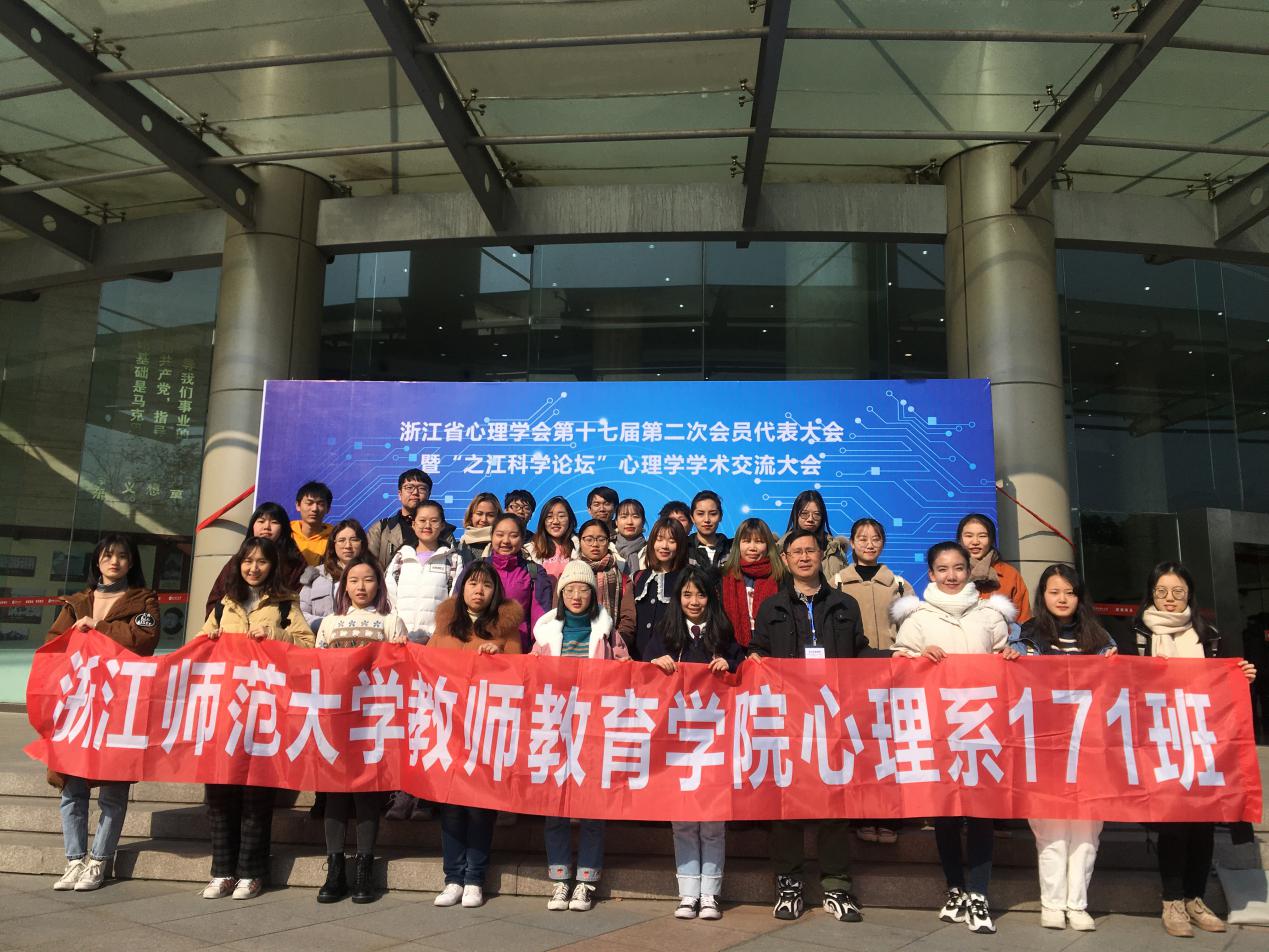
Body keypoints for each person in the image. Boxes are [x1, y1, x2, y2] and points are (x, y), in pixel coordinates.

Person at [891, 541, 1017, 935]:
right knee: (944, 812)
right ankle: (955, 888)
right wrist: (916, 658)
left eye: (958, 568)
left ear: (969, 571)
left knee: (981, 811)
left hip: (981, 727)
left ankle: (979, 892)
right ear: (931, 574)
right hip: (938, 729)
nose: (951, 575)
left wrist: (1011, 657)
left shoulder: (990, 616)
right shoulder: (917, 619)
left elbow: (1006, 661)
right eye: (943, 569)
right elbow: (896, 665)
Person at [748, 528, 870, 924]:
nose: (803, 557)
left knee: (835, 800)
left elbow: (861, 652)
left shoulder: (844, 604)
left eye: (810, 550)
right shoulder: (771, 606)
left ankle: (836, 885)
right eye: (796, 552)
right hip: (788, 717)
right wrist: (754, 658)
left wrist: (899, 659)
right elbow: (759, 648)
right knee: (786, 801)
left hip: (834, 715)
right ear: (785, 560)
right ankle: (789, 883)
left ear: (821, 554)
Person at [1132, 561, 1256, 938]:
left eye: (1178, 592)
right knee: (1173, 820)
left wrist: (1243, 676)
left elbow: (1227, 681)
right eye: (1161, 592)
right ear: (1151, 594)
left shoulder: (1210, 636)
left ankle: (1195, 898)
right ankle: (1172, 900)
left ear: (1190, 594)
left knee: (1203, 819)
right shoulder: (1135, 635)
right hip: (1158, 739)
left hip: (1203, 738)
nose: (1170, 599)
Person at [198, 536, 315, 901]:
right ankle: (222, 871)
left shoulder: (285, 604)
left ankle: (251, 872)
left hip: (264, 715)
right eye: (247, 561)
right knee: (220, 794)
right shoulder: (224, 605)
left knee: (256, 795)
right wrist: (208, 637)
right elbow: (198, 650)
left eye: (261, 561)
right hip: (226, 713)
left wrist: (275, 634)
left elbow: (308, 646)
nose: (253, 568)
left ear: (272, 566)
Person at [44, 534, 159, 892]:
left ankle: (99, 860)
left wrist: (99, 627)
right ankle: (74, 860)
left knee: (113, 788)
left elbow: (144, 639)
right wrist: (74, 633)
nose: (114, 562)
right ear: (97, 561)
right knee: (72, 786)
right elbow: (52, 645)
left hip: (119, 704)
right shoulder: (77, 602)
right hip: (79, 704)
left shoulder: (143, 599)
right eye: (108, 556)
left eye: (122, 556)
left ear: (131, 562)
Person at [1009, 564, 1114, 932]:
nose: (1063, 599)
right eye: (1055, 592)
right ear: (1043, 596)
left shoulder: (1101, 638)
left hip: (1090, 747)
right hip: (1045, 747)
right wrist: (1011, 662)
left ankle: (1078, 904)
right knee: (1050, 831)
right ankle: (1052, 904)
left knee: (1087, 832)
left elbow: (1118, 688)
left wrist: (1114, 667)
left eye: (1069, 592)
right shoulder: (1026, 635)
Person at [644, 566, 744, 921]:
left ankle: (711, 895)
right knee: (683, 821)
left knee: (713, 823)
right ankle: (687, 894)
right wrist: (655, 662)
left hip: (715, 741)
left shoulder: (722, 631)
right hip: (677, 743)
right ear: (678, 598)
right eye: (687, 594)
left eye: (700, 594)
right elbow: (644, 671)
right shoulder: (666, 632)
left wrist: (729, 663)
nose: (694, 601)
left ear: (710, 598)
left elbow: (742, 665)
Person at [532, 561, 628, 912]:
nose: (576, 596)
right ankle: (560, 878)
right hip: (554, 726)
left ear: (593, 594)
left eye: (583, 589)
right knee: (554, 805)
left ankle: (586, 881)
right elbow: (528, 676)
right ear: (561, 594)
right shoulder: (545, 634)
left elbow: (625, 671)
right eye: (570, 589)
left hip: (594, 727)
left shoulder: (607, 632)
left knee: (591, 806)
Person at [429, 561, 524, 909]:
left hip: (486, 732)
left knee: (480, 808)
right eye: (472, 583)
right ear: (462, 587)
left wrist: (499, 657)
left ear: (495, 591)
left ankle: (474, 878)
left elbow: (519, 676)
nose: (478, 591)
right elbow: (427, 669)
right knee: (452, 808)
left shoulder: (506, 630)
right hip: (449, 730)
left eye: (486, 585)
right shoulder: (445, 626)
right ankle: (453, 877)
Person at [314, 555, 407, 905]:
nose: (361, 587)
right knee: (335, 795)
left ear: (379, 585)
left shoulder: (390, 621)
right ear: (344, 586)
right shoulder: (330, 623)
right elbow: (317, 668)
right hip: (336, 720)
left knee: (367, 793)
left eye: (368, 579)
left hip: (372, 721)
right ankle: (335, 867)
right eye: (353, 580)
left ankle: (364, 866)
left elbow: (401, 670)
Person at [204, 501, 306, 617]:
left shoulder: (295, 562)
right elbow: (216, 600)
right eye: (261, 521)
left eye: (274, 522)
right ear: (253, 525)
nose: (266, 527)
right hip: (235, 623)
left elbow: (300, 604)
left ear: (283, 528)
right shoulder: (238, 560)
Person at [385, 500, 465, 645]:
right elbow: (389, 600)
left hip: (435, 643)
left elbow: (454, 601)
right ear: (413, 524)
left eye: (434, 521)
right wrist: (397, 633)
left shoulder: (453, 560)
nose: (427, 525)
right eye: (422, 520)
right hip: (400, 642)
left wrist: (436, 637)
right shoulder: (400, 558)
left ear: (442, 525)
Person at [486, 513, 553, 653]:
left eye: (513, 536)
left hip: (517, 649)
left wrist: (537, 648)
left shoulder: (534, 572)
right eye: (499, 535)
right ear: (491, 536)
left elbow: (541, 618)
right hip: (478, 647)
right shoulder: (476, 569)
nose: (506, 541)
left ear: (522, 539)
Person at [367, 469, 456, 567]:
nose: (415, 492)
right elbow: (369, 567)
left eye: (421, 488)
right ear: (400, 494)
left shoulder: (443, 531)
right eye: (409, 487)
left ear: (429, 494)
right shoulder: (381, 529)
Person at [630, 516, 689, 661]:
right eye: (659, 539)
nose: (664, 546)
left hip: (671, 661)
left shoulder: (687, 578)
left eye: (672, 541)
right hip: (637, 661)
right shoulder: (638, 577)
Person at [719, 517, 782, 650]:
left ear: (768, 545)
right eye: (746, 541)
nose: (752, 548)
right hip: (732, 648)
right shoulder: (723, 577)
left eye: (759, 541)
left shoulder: (782, 577)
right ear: (738, 544)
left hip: (772, 646)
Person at [957, 513, 1031, 624]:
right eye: (969, 536)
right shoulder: (951, 573)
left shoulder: (1009, 574)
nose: (975, 542)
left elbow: (1024, 620)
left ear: (991, 540)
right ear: (960, 539)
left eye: (982, 536)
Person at [577, 518, 636, 650]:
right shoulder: (569, 576)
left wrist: (616, 645)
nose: (595, 544)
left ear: (608, 542)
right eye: (589, 539)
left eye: (601, 539)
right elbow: (558, 613)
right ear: (580, 541)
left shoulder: (623, 579)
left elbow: (628, 619)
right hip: (574, 646)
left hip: (612, 647)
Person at [299, 518, 368, 630]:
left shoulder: (375, 573)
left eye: (354, 540)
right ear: (333, 544)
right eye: (341, 540)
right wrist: (328, 624)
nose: (347, 545)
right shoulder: (314, 573)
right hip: (322, 636)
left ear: (362, 543)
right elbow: (300, 613)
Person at [780, 489, 849, 583]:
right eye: (804, 514)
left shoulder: (835, 549)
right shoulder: (777, 551)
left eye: (817, 514)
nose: (810, 519)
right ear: (795, 515)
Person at [527, 495, 578, 582]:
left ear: (570, 519)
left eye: (561, 516)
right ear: (543, 521)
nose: (555, 521)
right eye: (549, 516)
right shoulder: (530, 550)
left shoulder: (580, 547)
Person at [291, 480, 334, 567]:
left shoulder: (334, 538)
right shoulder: (285, 532)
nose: (314, 509)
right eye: (309, 503)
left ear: (328, 508)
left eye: (320, 504)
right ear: (298, 505)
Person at [688, 490, 732, 571]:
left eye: (713, 514)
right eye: (700, 514)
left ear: (720, 517)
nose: (707, 520)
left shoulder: (732, 549)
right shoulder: (683, 549)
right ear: (692, 518)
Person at [457, 492, 500, 561]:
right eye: (479, 514)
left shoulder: (503, 546)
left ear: (498, 518)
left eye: (490, 515)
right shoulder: (459, 546)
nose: (484, 519)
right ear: (471, 516)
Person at [614, 498, 648, 572]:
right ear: (616, 521)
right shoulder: (608, 549)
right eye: (624, 517)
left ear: (643, 522)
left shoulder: (651, 550)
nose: (629, 522)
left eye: (635, 517)